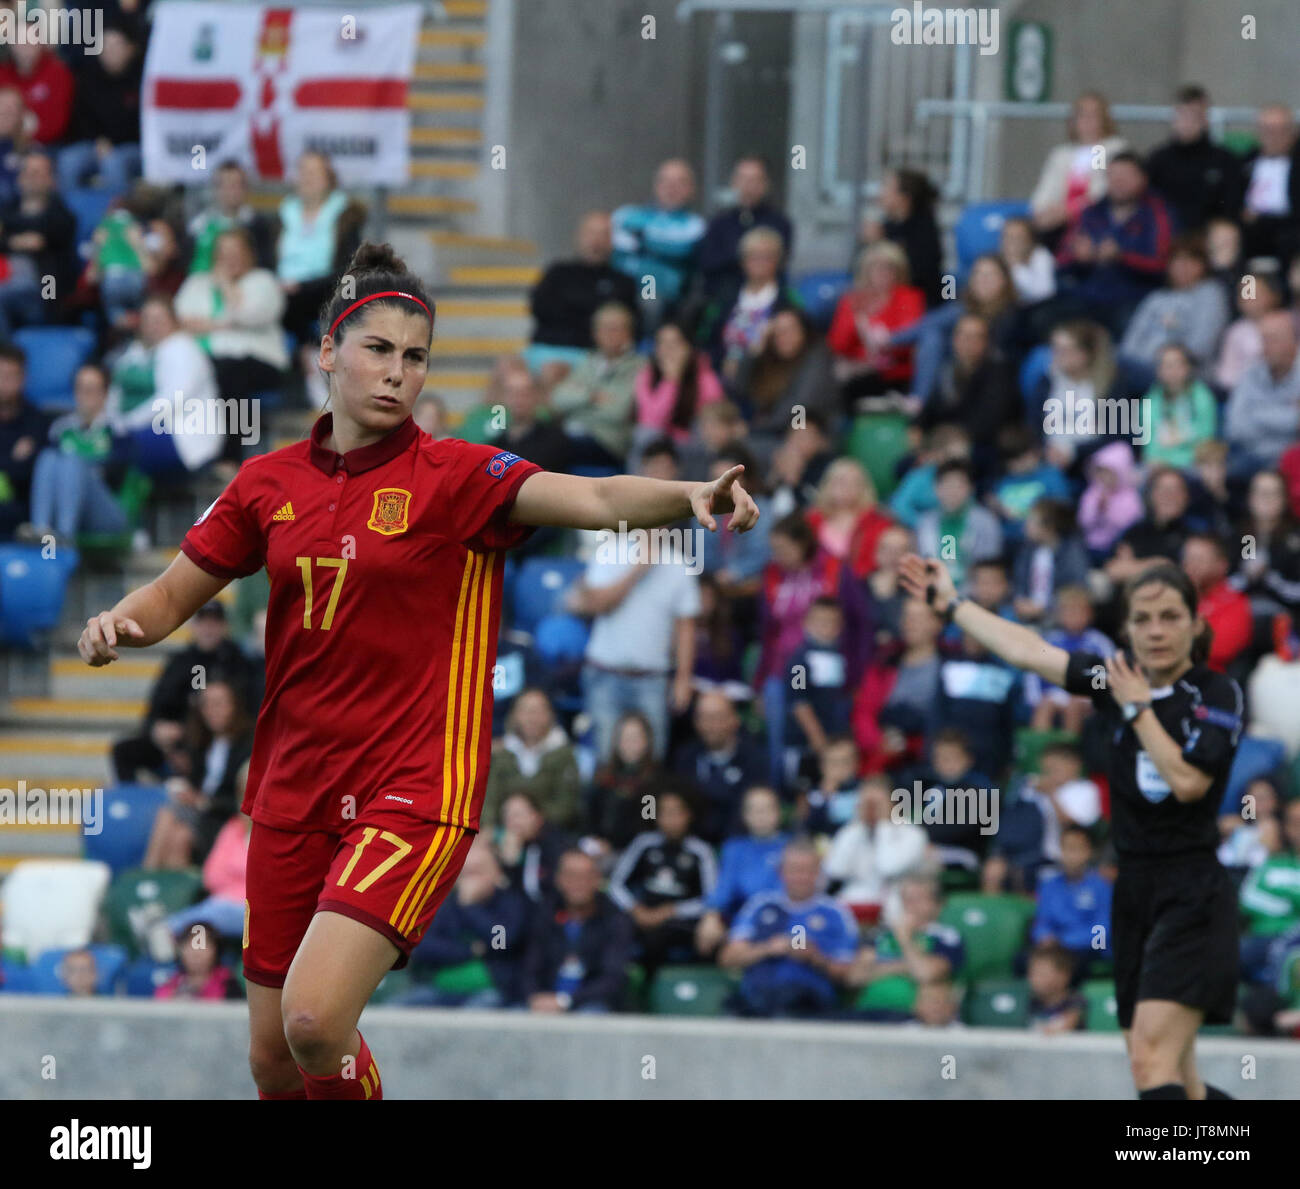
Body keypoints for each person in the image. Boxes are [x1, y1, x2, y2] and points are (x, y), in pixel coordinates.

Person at [77, 240, 760, 1100]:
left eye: (416, 356)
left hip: (413, 787)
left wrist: (685, 497)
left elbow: (589, 497)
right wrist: (117, 624)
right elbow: (173, 595)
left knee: (316, 1021)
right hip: (291, 788)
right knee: (271, 1058)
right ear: (328, 350)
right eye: (379, 349)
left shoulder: (457, 475)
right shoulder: (265, 481)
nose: (399, 372)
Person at [899, 550, 1245, 1099]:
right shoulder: (1117, 680)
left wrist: (1137, 709)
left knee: (1154, 1063)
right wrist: (954, 604)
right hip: (1132, 889)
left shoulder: (1214, 693)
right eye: (1143, 619)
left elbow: (1188, 783)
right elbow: (1030, 650)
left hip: (1191, 891)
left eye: (1170, 617)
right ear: (1126, 628)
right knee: (1171, 1074)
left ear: (1196, 624)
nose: (1156, 631)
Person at [720, 840, 859, 1019]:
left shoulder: (836, 914)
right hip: (758, 999)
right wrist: (768, 949)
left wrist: (815, 958)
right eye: (794, 870)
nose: (800, 877)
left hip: (811, 1005)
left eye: (807, 870)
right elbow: (728, 958)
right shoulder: (760, 905)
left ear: (818, 873)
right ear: (781, 872)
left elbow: (849, 976)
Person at [1053, 152, 1174, 339]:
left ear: (1143, 179)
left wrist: (1122, 257)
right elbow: (1062, 261)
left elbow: (1163, 265)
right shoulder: (1091, 213)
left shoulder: (1159, 214)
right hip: (1088, 297)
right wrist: (1080, 259)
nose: (1118, 182)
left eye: (1125, 176)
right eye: (1113, 176)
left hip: (1135, 299)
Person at [105, 294, 225, 478]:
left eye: (159, 319)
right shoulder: (135, 352)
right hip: (144, 430)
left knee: (119, 450)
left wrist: (128, 424)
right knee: (103, 444)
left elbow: (171, 400)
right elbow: (116, 391)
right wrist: (113, 421)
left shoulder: (183, 349)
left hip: (184, 441)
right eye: (148, 319)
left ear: (173, 321)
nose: (153, 325)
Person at [141, 679, 256, 869]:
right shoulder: (203, 743)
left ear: (235, 705)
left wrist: (203, 801)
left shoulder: (248, 745)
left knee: (179, 832)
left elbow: (243, 797)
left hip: (225, 819)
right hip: (202, 815)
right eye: (207, 705)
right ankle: (154, 880)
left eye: (219, 704)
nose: (212, 711)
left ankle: (148, 876)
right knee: (173, 824)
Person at [607, 788, 716, 978]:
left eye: (676, 812)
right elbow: (615, 884)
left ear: (688, 815)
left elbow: (712, 898)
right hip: (641, 914)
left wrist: (671, 911)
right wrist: (635, 908)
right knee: (616, 929)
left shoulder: (701, 851)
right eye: (665, 812)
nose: (671, 819)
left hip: (679, 921)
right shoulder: (644, 843)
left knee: (663, 938)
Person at [175, 226, 289, 405]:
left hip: (257, 360)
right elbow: (181, 321)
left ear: (250, 255)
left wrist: (226, 285)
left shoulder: (264, 281)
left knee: (226, 370)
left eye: (236, 252)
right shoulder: (197, 282)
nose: (229, 258)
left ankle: (236, 432)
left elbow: (247, 315)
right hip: (205, 358)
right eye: (224, 252)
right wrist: (225, 324)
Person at [21, 363, 127, 543]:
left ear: (105, 393)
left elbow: (119, 476)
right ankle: (41, 529)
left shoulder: (119, 429)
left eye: (91, 389)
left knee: (71, 462)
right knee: (48, 456)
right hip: (65, 503)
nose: (84, 395)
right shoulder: (60, 429)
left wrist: (82, 473)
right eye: (80, 388)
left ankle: (64, 536)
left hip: (105, 509)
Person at [521, 849, 635, 1014]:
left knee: (591, 1016)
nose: (578, 883)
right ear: (559, 879)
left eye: (586, 876)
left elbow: (612, 979)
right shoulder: (544, 915)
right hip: (544, 1002)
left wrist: (565, 1001)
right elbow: (529, 968)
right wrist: (534, 997)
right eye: (571, 875)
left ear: (597, 880)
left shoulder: (616, 920)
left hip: (591, 1004)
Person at [1116, 237, 1229, 387]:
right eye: (1177, 261)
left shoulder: (1211, 294)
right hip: (1140, 368)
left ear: (1203, 266)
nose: (1183, 267)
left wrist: (1163, 360)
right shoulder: (1156, 298)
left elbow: (1200, 347)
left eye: (1190, 261)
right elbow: (1129, 344)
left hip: (1185, 374)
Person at [610, 157, 706, 329]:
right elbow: (615, 243)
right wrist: (654, 245)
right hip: (619, 280)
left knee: (650, 288)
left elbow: (682, 250)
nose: (671, 188)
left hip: (655, 286)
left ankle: (647, 347)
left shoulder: (694, 224)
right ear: (656, 185)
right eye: (665, 181)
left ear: (692, 189)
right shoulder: (628, 213)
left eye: (680, 182)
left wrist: (642, 240)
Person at [732, 307, 835, 468]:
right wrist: (753, 352)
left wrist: (757, 428)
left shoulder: (816, 358)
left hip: (811, 427)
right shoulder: (772, 362)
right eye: (778, 332)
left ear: (804, 332)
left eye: (790, 330)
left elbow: (801, 406)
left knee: (799, 433)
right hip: (775, 431)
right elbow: (738, 388)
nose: (783, 337)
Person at [826, 241, 926, 405]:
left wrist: (870, 360)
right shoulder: (852, 300)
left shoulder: (909, 297)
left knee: (848, 383)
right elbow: (837, 344)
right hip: (854, 369)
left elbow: (908, 342)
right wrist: (855, 317)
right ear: (866, 271)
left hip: (894, 372)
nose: (883, 272)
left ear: (899, 271)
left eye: (889, 267)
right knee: (834, 375)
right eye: (876, 267)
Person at [528, 210, 639, 356]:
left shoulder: (625, 281)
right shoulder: (557, 272)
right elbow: (539, 309)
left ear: (612, 240)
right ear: (579, 236)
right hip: (550, 349)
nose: (596, 240)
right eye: (591, 233)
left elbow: (631, 321)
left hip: (600, 356)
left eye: (603, 234)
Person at [694, 785, 788, 956]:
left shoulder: (792, 847)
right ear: (745, 815)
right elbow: (723, 888)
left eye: (767, 809)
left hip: (785, 920)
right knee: (707, 932)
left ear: (778, 812)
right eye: (754, 810)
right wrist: (711, 916)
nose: (761, 816)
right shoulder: (734, 849)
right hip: (743, 921)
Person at [547, 301, 642, 468]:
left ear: (629, 333)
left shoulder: (639, 367)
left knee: (547, 444)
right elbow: (557, 400)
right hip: (572, 436)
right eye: (604, 328)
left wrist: (577, 401)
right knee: (535, 439)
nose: (609, 334)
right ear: (595, 333)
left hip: (609, 442)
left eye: (616, 328)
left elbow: (618, 412)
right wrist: (591, 397)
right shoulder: (586, 362)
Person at [56, 21, 142, 195]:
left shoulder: (143, 79)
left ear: (130, 49)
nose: (109, 51)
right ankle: (71, 217)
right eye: (105, 46)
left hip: (133, 146)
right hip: (95, 144)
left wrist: (111, 143)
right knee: (68, 160)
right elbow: (81, 117)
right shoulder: (88, 77)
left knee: (113, 162)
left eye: (116, 45)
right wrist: (98, 140)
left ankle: (118, 218)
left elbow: (141, 123)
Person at [1030, 91, 1130, 240]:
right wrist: (1043, 211)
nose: (1087, 120)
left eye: (1094, 114)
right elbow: (1047, 188)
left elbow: (1099, 190)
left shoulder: (1107, 148)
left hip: (1093, 221)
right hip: (1056, 220)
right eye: (1082, 114)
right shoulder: (1062, 154)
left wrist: (1069, 211)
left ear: (1104, 119)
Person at [1144, 85, 1242, 234]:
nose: (1187, 122)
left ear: (1205, 119)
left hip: (1207, 241)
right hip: (1166, 239)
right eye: (1182, 115)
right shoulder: (1157, 160)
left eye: (1194, 116)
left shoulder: (1224, 161)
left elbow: (1231, 208)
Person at [0, 149, 77, 337]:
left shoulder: (62, 215)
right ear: (19, 177)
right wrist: (15, 242)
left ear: (52, 179)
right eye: (27, 171)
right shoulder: (6, 210)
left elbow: (52, 232)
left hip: (45, 292)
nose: (31, 178)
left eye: (38, 172)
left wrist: (9, 237)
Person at [480, 687, 580, 831]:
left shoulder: (565, 754)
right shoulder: (500, 753)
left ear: (550, 715)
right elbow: (488, 801)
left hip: (549, 833)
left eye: (539, 710)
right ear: (514, 715)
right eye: (526, 710)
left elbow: (567, 806)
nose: (532, 717)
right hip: (501, 832)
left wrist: (531, 819)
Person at [697, 154, 793, 300]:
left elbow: (776, 264)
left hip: (767, 297)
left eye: (755, 180)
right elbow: (708, 263)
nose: (748, 185)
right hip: (722, 296)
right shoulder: (718, 223)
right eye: (743, 179)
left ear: (765, 184)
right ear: (734, 183)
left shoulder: (779, 223)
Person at [1030, 826, 1113, 981]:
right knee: (1023, 960)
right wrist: (1043, 936)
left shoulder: (1101, 887)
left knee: (1074, 964)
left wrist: (1064, 941)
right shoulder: (1049, 886)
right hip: (1054, 949)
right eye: (1066, 848)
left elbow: (1101, 933)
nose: (1071, 855)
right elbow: (1042, 921)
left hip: (1087, 950)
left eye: (1076, 849)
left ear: (1089, 852)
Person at [1224, 308, 1300, 476]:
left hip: (1294, 459)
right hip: (1253, 457)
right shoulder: (1250, 374)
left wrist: (1256, 414)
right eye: (1263, 339)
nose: (1265, 346)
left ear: (1293, 342)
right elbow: (1236, 427)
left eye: (1273, 339)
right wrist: (1290, 417)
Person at [861, 167, 944, 307]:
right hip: (882, 299)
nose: (880, 194)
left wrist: (881, 243)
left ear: (904, 197)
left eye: (886, 187)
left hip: (918, 305)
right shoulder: (886, 226)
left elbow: (918, 275)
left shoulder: (925, 230)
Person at [186, 160, 275, 274]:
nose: (231, 191)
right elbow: (188, 263)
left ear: (245, 188)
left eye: (236, 185)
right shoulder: (199, 226)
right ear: (216, 189)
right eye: (225, 185)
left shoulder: (258, 225)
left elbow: (266, 263)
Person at [1239, 103, 1300, 265]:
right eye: (1267, 130)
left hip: (1290, 225)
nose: (1273, 136)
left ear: (1292, 132)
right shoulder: (1246, 160)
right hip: (1252, 227)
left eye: (1280, 130)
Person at [1141, 343, 1218, 470]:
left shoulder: (1203, 397)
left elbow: (1205, 439)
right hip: (1159, 465)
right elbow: (1150, 446)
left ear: (1188, 368)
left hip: (1194, 463)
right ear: (1158, 370)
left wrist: (1178, 461)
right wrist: (1156, 462)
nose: (1173, 370)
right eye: (1167, 366)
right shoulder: (1150, 400)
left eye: (1178, 364)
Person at [0, 342, 49, 538]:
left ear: (23, 378)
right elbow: (16, 466)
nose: (3, 382)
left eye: (10, 376)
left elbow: (30, 471)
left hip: (21, 510)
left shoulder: (36, 420)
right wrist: (12, 459)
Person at [0, 42, 72, 146]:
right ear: (11, 46)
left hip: (46, 144)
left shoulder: (58, 72)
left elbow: (56, 124)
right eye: (19, 41)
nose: (25, 45)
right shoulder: (2, 73)